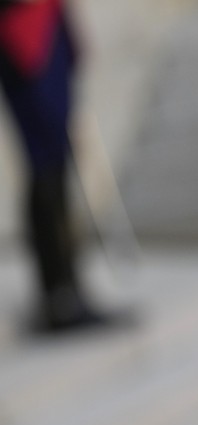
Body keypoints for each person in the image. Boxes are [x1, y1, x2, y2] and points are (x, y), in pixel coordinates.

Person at [0, 0, 109, 332]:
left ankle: (68, 288)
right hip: (23, 32)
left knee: (57, 160)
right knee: (45, 162)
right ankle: (58, 296)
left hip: (47, 23)